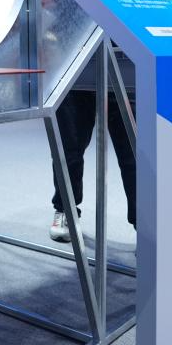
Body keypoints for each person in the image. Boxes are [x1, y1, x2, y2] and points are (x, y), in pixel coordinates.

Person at [49, 84, 136, 242]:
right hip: (76, 77)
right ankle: (65, 210)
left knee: (133, 154)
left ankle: (144, 225)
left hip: (124, 75)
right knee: (68, 149)